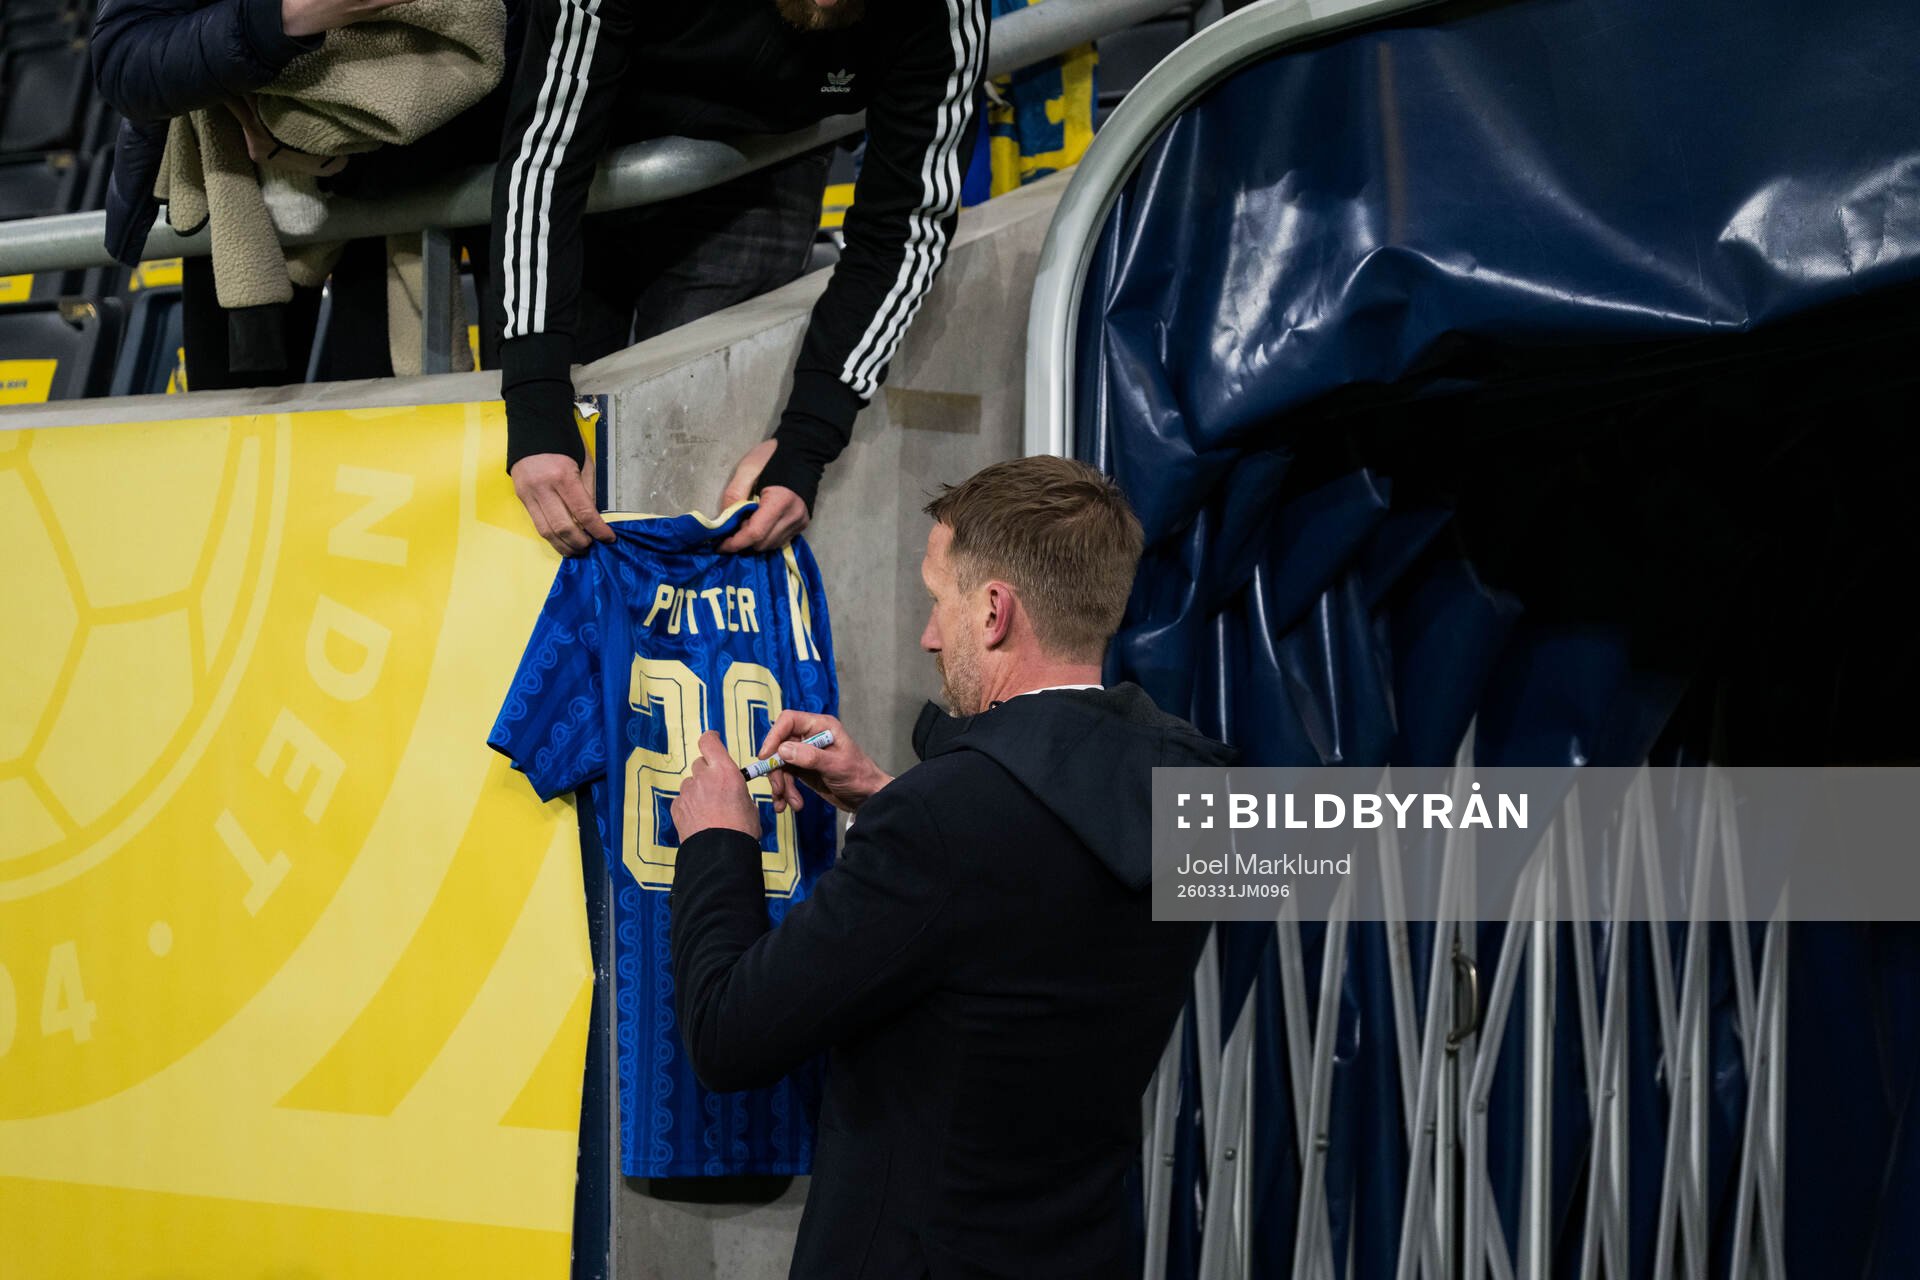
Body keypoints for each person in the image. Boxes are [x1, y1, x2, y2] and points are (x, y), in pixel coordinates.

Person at [666, 455, 1234, 1278]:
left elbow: (726, 1034)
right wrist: (877, 794)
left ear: (995, 611)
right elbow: (1037, 889)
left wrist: (718, 840)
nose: (931, 635)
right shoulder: (1198, 801)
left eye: (939, 601)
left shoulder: (946, 821)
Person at [492, 0, 989, 558]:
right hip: (597, 141)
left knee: (688, 472)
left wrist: (807, 440)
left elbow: (907, 225)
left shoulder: (945, 8)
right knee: (546, 473)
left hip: (763, 163)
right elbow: (545, 162)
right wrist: (534, 400)